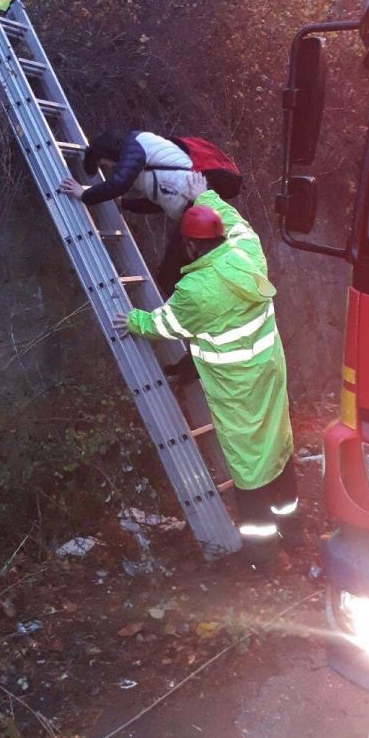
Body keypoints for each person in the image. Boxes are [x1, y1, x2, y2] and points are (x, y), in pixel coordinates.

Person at [112, 174, 298, 564]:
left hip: (237, 388)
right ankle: (294, 531)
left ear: (191, 245)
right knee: (277, 447)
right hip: (270, 372)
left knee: (248, 466)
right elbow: (238, 224)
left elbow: (165, 326)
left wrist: (133, 321)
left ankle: (261, 555)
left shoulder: (195, 292)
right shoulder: (248, 253)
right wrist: (205, 195)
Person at [59, 129, 205, 296]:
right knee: (178, 276)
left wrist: (83, 194)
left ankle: (176, 318)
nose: (107, 167)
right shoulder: (142, 159)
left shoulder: (135, 146)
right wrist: (127, 204)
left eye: (102, 163)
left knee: (171, 276)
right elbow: (159, 202)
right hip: (195, 213)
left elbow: (118, 184)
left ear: (106, 153)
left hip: (197, 211)